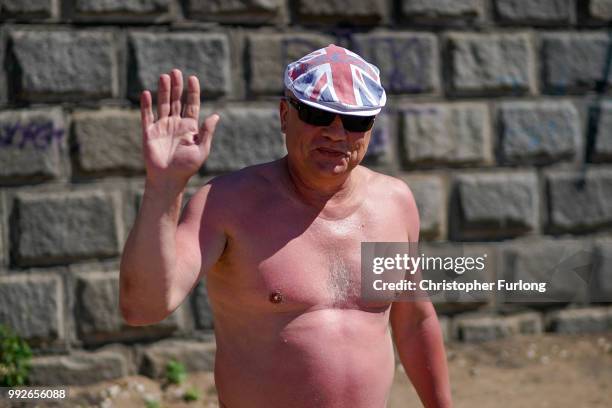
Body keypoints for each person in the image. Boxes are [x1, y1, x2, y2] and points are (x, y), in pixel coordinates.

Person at [119, 44, 452, 408]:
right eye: (317, 114)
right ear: (283, 114)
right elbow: (143, 308)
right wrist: (164, 188)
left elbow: (413, 322)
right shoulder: (227, 204)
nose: (337, 134)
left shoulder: (394, 203)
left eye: (357, 121)